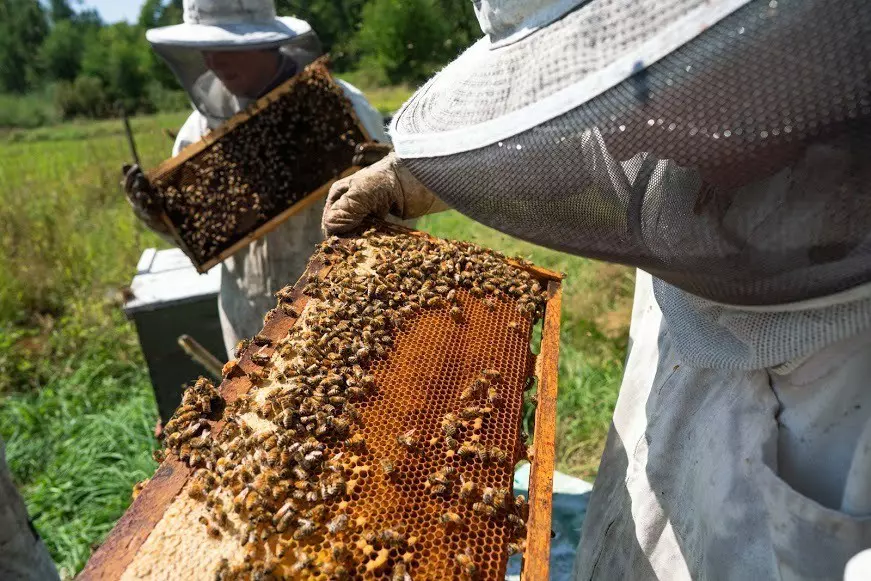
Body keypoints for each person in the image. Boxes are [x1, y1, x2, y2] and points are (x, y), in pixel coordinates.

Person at [322, 0, 871, 578]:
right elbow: (579, 143)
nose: (627, 138)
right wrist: (419, 177)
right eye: (611, 86)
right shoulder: (689, 133)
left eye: (645, 79)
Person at [124, 0, 389, 361]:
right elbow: (199, 240)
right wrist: (161, 218)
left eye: (225, 46)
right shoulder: (198, 132)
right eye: (204, 47)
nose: (213, 62)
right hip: (246, 322)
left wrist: (385, 186)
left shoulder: (347, 108)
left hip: (339, 315)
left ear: (267, 41)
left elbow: (397, 224)